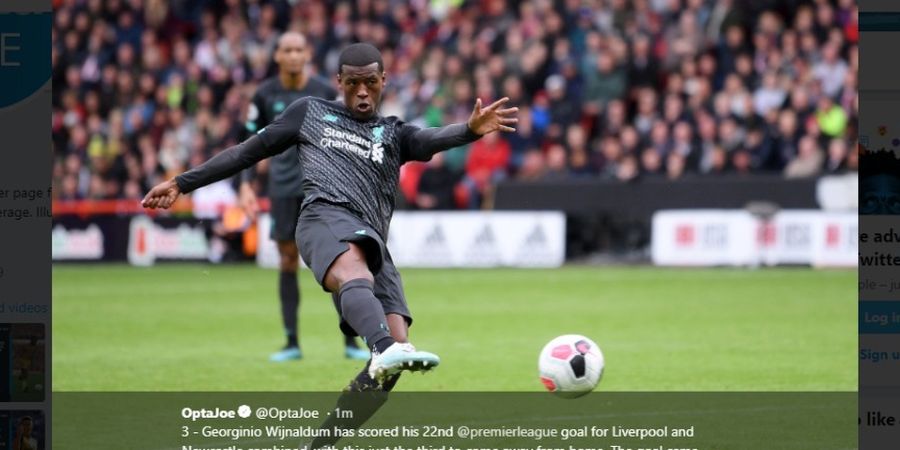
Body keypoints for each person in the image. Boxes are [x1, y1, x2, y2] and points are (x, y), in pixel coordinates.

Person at [143, 42, 516, 392]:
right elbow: (247, 152)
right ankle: (378, 345)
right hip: (323, 219)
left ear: (384, 81)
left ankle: (326, 435)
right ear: (340, 83)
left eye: (371, 83)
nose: (363, 92)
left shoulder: (394, 133)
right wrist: (181, 182)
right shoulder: (311, 113)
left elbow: (430, 139)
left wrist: (468, 131)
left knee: (398, 348)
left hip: (371, 240)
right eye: (353, 84)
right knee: (363, 291)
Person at [239, 31, 368, 362]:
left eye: (299, 49)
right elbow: (248, 143)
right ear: (277, 56)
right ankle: (292, 342)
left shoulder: (325, 92)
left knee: (339, 260)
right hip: (282, 189)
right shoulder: (265, 95)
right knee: (286, 260)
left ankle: (351, 341)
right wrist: (245, 185)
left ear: (308, 53)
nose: (294, 55)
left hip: (323, 188)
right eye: (288, 50)